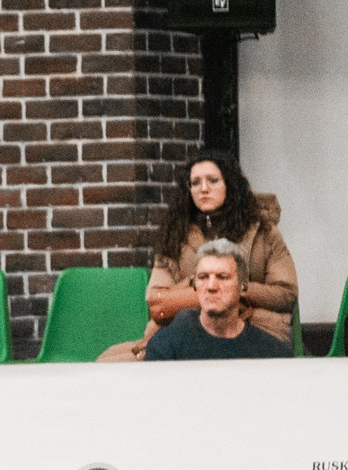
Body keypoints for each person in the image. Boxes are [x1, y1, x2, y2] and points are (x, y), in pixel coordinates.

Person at [100, 150, 297, 361]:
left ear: (230, 185)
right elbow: (157, 300)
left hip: (256, 328)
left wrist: (236, 293)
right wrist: (203, 288)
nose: (203, 189)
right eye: (195, 182)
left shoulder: (262, 231)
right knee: (109, 362)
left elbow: (285, 293)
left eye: (213, 180)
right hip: (188, 329)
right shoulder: (175, 233)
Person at [141, 239, 291, 361]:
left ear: (243, 286)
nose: (211, 286)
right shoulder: (166, 346)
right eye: (203, 277)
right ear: (194, 285)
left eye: (223, 277)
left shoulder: (271, 352)